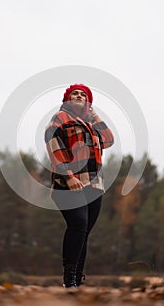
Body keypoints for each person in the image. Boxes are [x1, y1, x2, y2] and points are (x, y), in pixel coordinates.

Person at [44, 84, 114, 288]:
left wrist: (94, 116)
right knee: (78, 225)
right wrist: (68, 176)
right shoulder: (60, 118)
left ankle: (77, 280)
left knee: (84, 232)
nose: (79, 96)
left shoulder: (91, 123)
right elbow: (54, 146)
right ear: (67, 99)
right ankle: (69, 280)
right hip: (68, 183)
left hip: (94, 185)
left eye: (83, 95)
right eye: (74, 93)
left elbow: (109, 140)